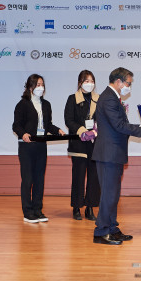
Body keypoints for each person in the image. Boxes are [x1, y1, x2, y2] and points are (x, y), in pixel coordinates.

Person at [91, 67, 141, 245]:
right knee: (108, 195)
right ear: (118, 81)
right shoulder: (108, 98)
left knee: (113, 194)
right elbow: (118, 125)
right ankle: (101, 232)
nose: (128, 87)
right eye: (128, 83)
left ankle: (112, 229)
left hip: (114, 153)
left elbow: (118, 125)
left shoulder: (112, 97)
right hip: (108, 154)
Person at [12, 74, 64, 224]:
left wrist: (57, 130)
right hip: (27, 147)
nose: (41, 87)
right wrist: (23, 134)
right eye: (38, 85)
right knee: (28, 179)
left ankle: (37, 210)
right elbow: (16, 125)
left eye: (42, 85)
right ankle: (27, 212)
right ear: (30, 87)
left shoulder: (46, 104)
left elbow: (47, 125)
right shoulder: (23, 104)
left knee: (39, 179)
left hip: (41, 146)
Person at [64, 70, 100, 221]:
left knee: (94, 177)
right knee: (78, 176)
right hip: (79, 144)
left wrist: (95, 130)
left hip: (94, 144)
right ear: (80, 83)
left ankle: (90, 207)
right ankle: (77, 207)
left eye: (92, 81)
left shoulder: (99, 99)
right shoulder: (72, 99)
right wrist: (82, 131)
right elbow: (68, 120)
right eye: (86, 81)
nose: (89, 84)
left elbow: (102, 119)